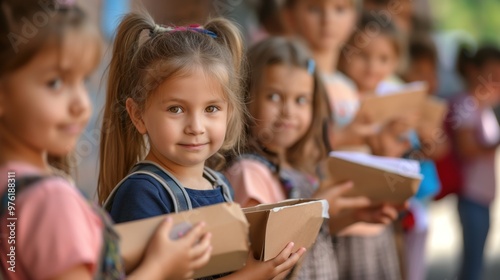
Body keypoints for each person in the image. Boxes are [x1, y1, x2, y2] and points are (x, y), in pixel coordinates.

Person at [0, 0, 212, 279]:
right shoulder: (49, 199)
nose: (81, 104)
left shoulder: (13, 185)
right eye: (55, 83)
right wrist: (160, 268)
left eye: (83, 81)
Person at [97, 12, 305, 279]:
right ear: (138, 115)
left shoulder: (220, 185)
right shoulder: (142, 194)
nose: (196, 126)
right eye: (176, 109)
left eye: (211, 108)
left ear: (229, 112)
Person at [225, 36, 401, 280]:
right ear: (245, 98)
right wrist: (316, 207)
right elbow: (267, 257)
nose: (288, 111)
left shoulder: (297, 168)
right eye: (274, 97)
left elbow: (309, 239)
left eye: (301, 100)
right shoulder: (249, 174)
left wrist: (350, 218)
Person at [451, 45, 500, 280]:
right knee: (472, 266)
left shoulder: (483, 107)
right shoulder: (466, 104)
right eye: (492, 75)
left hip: (482, 196)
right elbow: (466, 148)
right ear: (473, 71)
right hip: (471, 194)